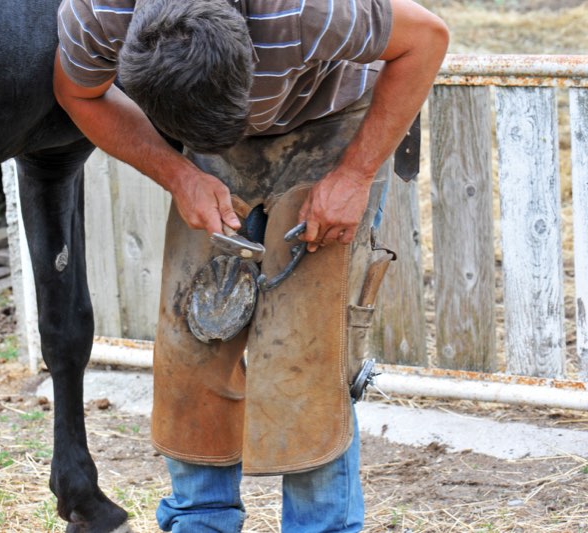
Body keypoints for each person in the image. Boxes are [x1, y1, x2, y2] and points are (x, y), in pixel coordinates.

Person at [55, 0, 448, 530]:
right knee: (193, 340)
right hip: (205, 131)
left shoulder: (306, 10)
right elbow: (76, 90)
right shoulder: (98, 11)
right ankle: (200, 521)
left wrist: (354, 176)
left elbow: (426, 39)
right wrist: (179, 173)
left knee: (307, 354)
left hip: (330, 124)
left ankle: (321, 525)